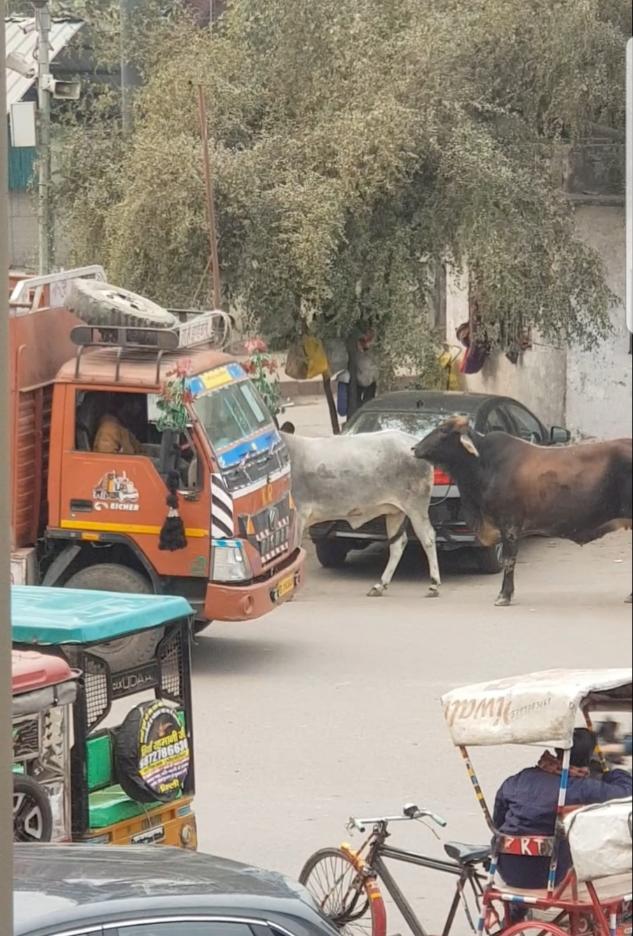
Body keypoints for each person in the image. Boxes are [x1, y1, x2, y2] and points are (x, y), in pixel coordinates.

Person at [494, 728, 632, 891]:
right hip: (550, 873)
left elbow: (498, 821)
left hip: (506, 868)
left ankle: (518, 910)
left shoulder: (520, 778)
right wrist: (611, 774)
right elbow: (626, 791)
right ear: (588, 757)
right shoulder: (581, 787)